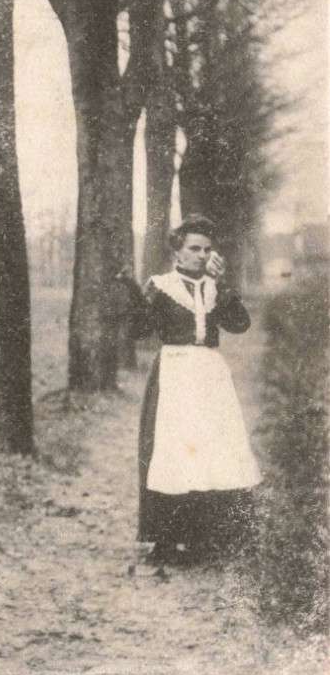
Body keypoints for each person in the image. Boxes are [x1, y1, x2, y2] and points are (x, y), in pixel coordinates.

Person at [125, 215, 261, 564]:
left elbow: (239, 325)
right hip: (174, 371)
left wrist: (225, 285)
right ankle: (167, 540)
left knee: (211, 449)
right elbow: (140, 330)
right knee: (173, 451)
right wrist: (134, 296)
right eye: (194, 248)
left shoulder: (216, 286)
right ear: (178, 251)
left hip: (209, 374)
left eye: (207, 249)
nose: (201, 255)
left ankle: (205, 537)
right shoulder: (162, 285)